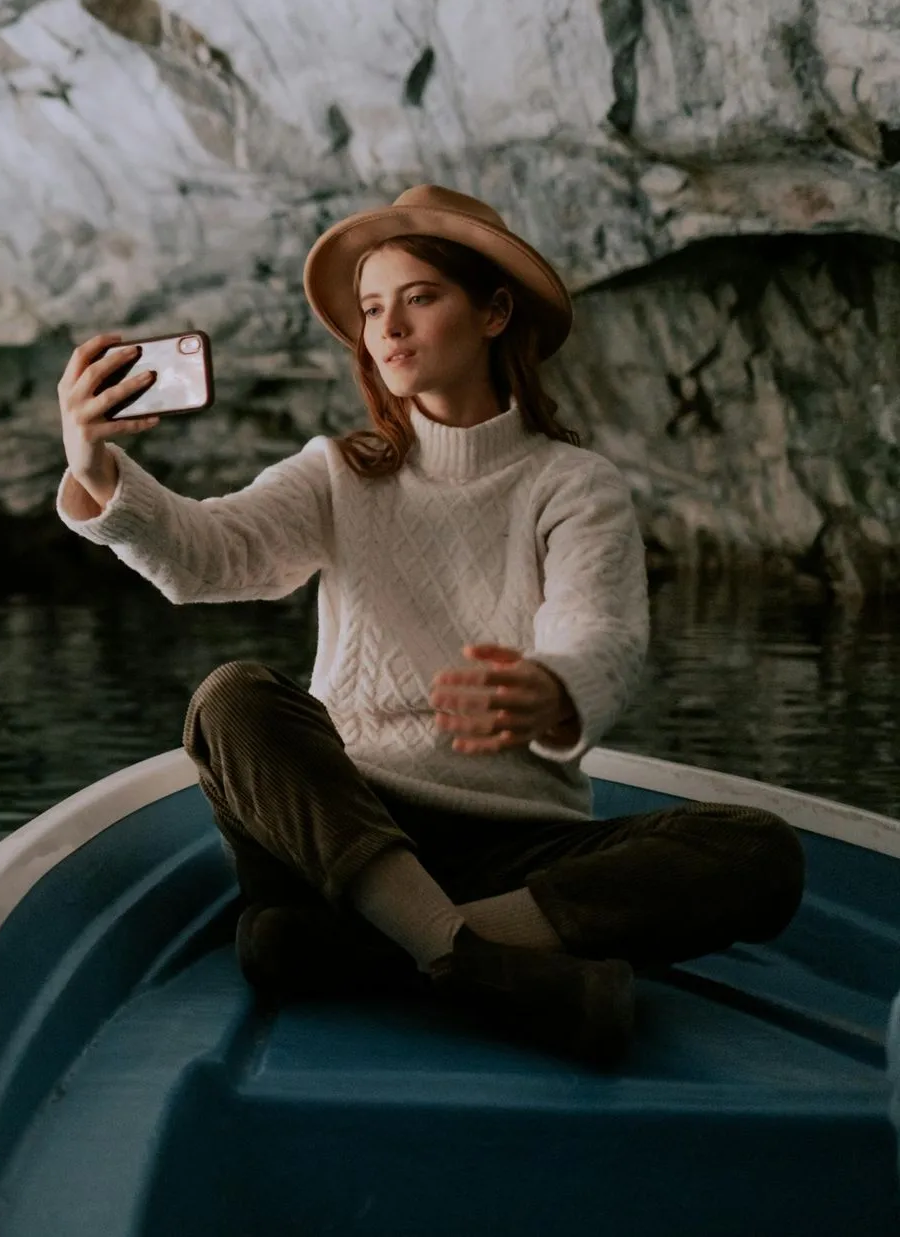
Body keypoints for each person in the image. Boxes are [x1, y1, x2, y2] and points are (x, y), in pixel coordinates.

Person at [53, 184, 806, 1066]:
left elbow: (602, 633)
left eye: (420, 297)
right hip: (346, 831)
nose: (389, 328)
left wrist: (548, 690)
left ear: (493, 312)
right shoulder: (337, 472)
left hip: (517, 846)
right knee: (233, 699)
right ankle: (466, 956)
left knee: (761, 852)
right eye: (373, 309)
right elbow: (204, 556)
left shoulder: (573, 483)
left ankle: (404, 945)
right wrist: (93, 464)